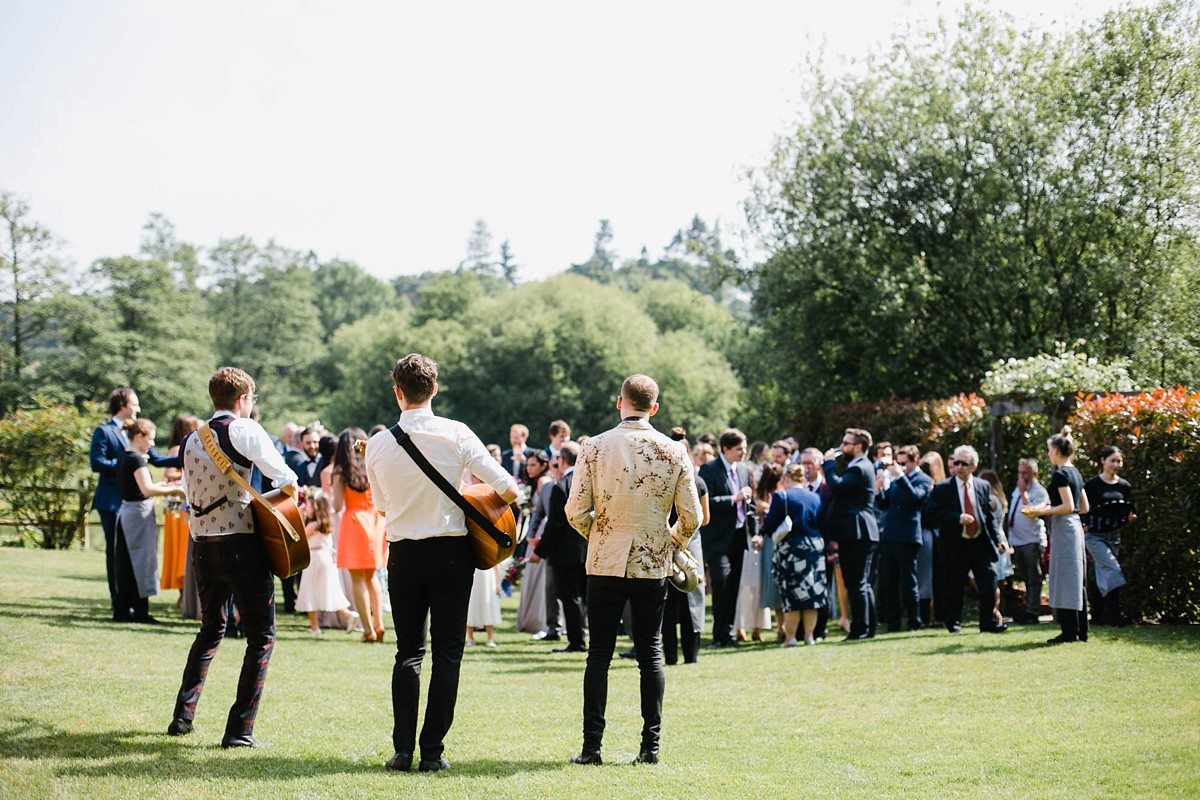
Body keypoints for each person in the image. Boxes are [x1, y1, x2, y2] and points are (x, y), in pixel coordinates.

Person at [365, 353, 518, 773]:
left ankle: (401, 751)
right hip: (452, 553)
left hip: (404, 555)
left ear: (398, 392)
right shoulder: (458, 433)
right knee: (448, 653)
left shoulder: (377, 444)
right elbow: (508, 489)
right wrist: (470, 499)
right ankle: (432, 751)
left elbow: (381, 506)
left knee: (408, 653)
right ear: (434, 388)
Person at [564, 373, 702, 766]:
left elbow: (574, 511)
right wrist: (669, 542)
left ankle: (592, 748)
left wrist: (601, 535)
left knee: (599, 655)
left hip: (605, 559)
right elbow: (692, 517)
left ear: (619, 402)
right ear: (654, 408)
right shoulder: (675, 451)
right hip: (652, 562)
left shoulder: (593, 447)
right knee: (651, 653)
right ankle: (650, 747)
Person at [168, 367, 298, 748]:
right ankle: (240, 729)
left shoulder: (190, 439)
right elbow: (285, 477)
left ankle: (183, 714)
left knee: (210, 629)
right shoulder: (245, 429)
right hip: (242, 543)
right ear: (243, 399)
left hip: (202, 546)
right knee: (261, 636)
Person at [90, 388, 180, 621]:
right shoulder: (106, 433)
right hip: (114, 500)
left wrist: (187, 457)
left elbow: (157, 459)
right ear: (122, 405)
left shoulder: (134, 447)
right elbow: (97, 463)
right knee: (119, 555)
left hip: (127, 501)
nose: (138, 408)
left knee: (129, 556)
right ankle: (121, 602)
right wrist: (130, 467)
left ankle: (127, 605)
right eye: (135, 404)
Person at [925, 445, 1008, 634]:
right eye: (956, 462)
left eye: (964, 463)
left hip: (980, 542)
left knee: (989, 582)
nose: (959, 466)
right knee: (954, 586)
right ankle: (953, 623)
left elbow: (988, 516)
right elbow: (932, 512)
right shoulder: (943, 488)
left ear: (974, 466)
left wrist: (998, 539)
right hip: (955, 543)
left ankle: (987, 623)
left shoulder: (982, 486)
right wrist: (956, 518)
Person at [113, 419, 187, 623]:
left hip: (126, 512)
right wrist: (175, 489)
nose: (152, 444)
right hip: (137, 514)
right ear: (139, 437)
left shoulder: (124, 456)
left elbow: (141, 485)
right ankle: (140, 611)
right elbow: (146, 490)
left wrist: (163, 484)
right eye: (151, 439)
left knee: (127, 562)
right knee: (141, 561)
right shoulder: (136, 459)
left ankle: (123, 609)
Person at [1024, 432, 1090, 644]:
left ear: (1056, 450)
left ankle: (1069, 631)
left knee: (1065, 577)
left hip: (1065, 529)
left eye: (1049, 449)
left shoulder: (1061, 474)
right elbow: (1084, 507)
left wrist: (1041, 512)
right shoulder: (1076, 473)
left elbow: (1069, 506)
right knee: (1076, 578)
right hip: (1075, 527)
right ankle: (1081, 630)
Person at [698, 428, 758, 648]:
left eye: (744, 448)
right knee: (721, 586)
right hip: (717, 539)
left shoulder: (743, 469)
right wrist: (733, 498)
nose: (743, 453)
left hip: (738, 537)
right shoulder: (709, 469)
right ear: (725, 449)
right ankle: (718, 634)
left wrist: (756, 533)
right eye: (739, 449)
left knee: (733, 587)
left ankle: (729, 633)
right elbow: (707, 501)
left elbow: (750, 503)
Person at [822, 428, 879, 640]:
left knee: (855, 582)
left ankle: (860, 629)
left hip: (857, 531)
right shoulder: (859, 466)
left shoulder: (859, 468)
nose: (841, 447)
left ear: (858, 446)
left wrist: (828, 464)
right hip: (860, 531)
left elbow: (836, 486)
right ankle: (868, 627)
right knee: (861, 582)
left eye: (846, 443)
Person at [334, 427, 388, 644]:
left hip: (354, 523)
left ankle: (368, 630)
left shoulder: (341, 471)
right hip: (375, 521)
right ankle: (379, 623)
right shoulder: (373, 465)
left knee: (357, 579)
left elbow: (337, 504)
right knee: (372, 577)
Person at [761, 463, 825, 646]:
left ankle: (790, 638)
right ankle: (809, 636)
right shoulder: (816, 497)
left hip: (791, 548)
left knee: (791, 594)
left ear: (786, 478)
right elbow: (822, 522)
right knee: (812, 594)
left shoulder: (782, 496)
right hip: (814, 546)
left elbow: (770, 524)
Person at [533, 441, 588, 653]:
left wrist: (539, 552)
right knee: (585, 597)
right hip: (588, 550)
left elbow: (555, 524)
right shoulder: (590, 482)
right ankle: (584, 637)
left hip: (565, 553)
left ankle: (576, 642)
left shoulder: (561, 486)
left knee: (570, 599)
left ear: (562, 460)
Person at [875, 445, 933, 632]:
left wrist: (899, 477)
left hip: (908, 536)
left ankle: (914, 621)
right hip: (889, 535)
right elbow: (885, 505)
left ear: (915, 460)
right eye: (898, 463)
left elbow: (915, 498)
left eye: (904, 463)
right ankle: (893, 623)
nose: (900, 466)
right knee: (888, 582)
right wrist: (880, 489)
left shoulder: (923, 479)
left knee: (909, 582)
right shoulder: (896, 479)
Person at [662, 438, 709, 666]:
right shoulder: (698, 481)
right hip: (691, 542)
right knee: (693, 598)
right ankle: (692, 656)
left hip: (665, 543)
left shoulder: (661, 479)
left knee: (668, 601)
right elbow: (705, 519)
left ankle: (670, 656)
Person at [1081, 446, 1136, 626]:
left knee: (1103, 575)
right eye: (1112, 460)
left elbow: (1128, 509)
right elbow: (1082, 508)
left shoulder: (1124, 486)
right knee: (1113, 570)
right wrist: (1083, 524)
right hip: (1094, 536)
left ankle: (1097, 617)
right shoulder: (1092, 485)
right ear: (1102, 461)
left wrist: (1130, 518)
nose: (1116, 464)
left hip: (1114, 536)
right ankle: (1116, 616)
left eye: (1119, 461)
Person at [297, 490, 355, 634]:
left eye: (309, 506)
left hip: (315, 559)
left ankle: (314, 626)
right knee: (328, 592)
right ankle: (349, 616)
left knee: (310, 592)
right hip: (325, 559)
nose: (307, 508)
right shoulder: (326, 525)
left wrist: (300, 514)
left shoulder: (313, 525)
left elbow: (299, 537)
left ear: (315, 507)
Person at [163, 414, 200, 615]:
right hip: (178, 509)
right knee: (180, 553)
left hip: (183, 506)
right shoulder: (176, 449)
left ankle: (186, 595)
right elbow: (169, 474)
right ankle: (182, 594)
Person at [1007, 458, 1050, 624]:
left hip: (1032, 540)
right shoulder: (1016, 489)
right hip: (1017, 541)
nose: (1022, 476)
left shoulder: (1039, 491)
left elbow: (1033, 512)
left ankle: (1033, 612)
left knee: (1034, 578)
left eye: (1026, 473)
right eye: (1020, 472)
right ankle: (1028, 609)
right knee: (1025, 577)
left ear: (1035, 473)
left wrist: (1025, 493)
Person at [515, 450, 553, 633]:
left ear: (543, 466)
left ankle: (541, 620)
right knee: (532, 571)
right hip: (534, 527)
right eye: (527, 465)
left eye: (533, 465)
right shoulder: (533, 482)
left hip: (541, 529)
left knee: (540, 573)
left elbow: (545, 510)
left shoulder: (543, 482)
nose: (529, 468)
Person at [917, 451, 947, 626]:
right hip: (933, 534)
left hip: (930, 534)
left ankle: (929, 616)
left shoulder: (937, 488)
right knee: (933, 577)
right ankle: (936, 616)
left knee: (929, 577)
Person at [465, 563, 502, 647]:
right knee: (471, 606)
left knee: (488, 605)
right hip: (473, 576)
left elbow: (496, 565)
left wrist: (497, 583)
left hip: (488, 579)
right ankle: (470, 638)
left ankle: (490, 638)